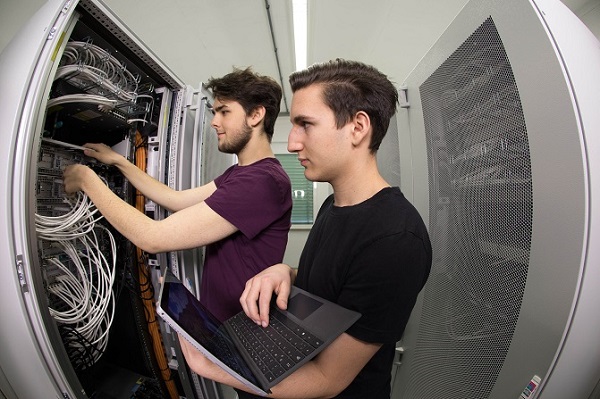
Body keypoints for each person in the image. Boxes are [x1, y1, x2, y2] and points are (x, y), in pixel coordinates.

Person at [178, 59, 432, 398]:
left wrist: (215, 363)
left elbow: (328, 380)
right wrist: (287, 271)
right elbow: (338, 281)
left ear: (358, 127)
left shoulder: (396, 240)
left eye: (305, 125)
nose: (294, 142)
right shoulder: (335, 206)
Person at [63, 67, 293, 322]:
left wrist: (87, 179)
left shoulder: (261, 182)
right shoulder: (242, 173)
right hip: (223, 320)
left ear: (256, 115)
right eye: (215, 112)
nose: (214, 121)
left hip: (238, 329)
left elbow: (153, 238)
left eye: (224, 112)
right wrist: (119, 161)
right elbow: (176, 199)